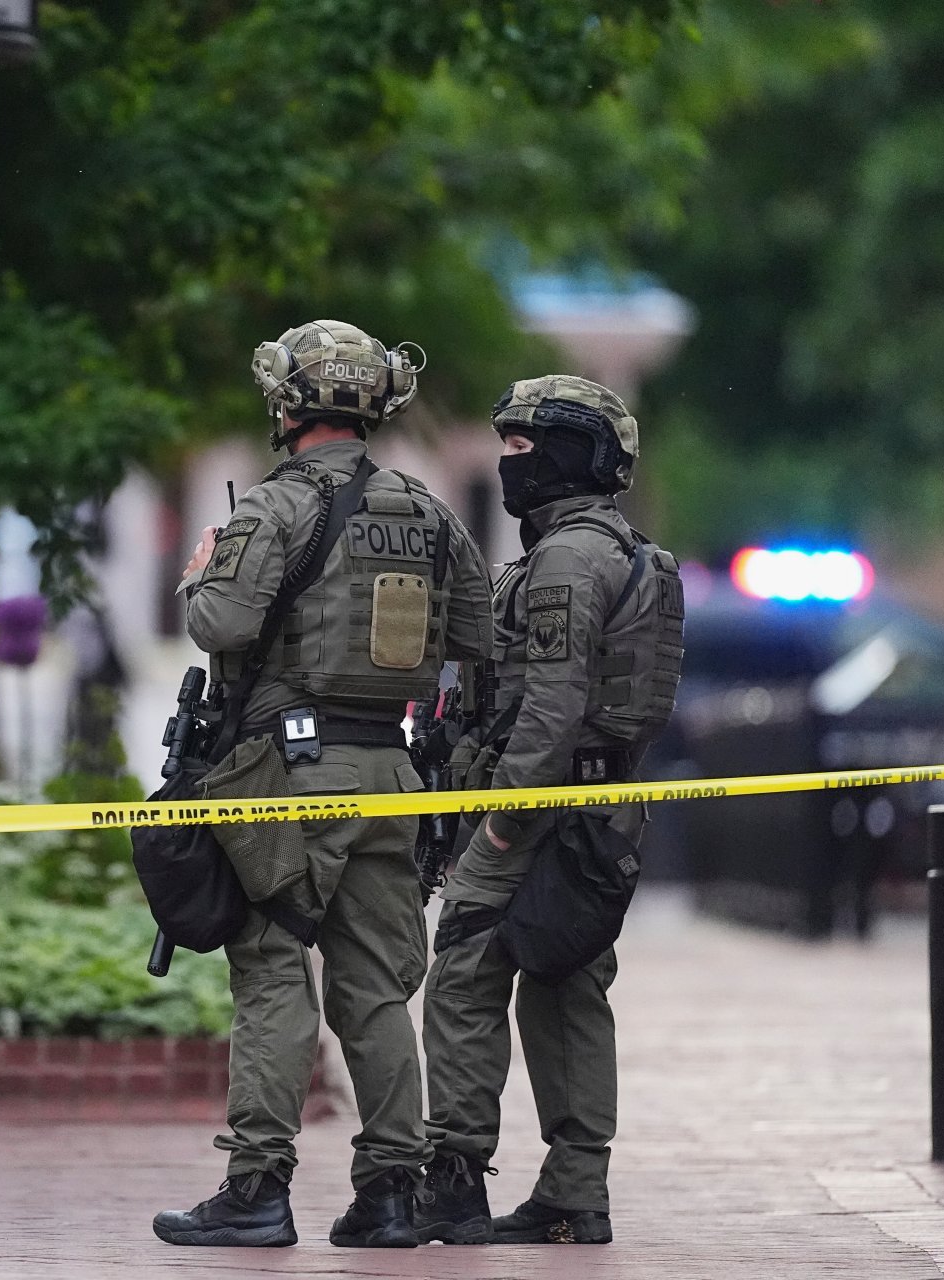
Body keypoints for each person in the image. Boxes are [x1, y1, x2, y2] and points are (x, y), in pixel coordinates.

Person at [152, 320, 494, 1248]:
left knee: (272, 969)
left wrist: (199, 575)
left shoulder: (274, 507)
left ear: (288, 404)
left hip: (291, 779)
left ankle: (257, 1187)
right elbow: (476, 637)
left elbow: (220, 624)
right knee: (376, 989)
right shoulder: (428, 513)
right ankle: (390, 1194)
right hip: (392, 773)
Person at [419, 375, 683, 1245]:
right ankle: (574, 1192)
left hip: (538, 808)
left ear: (573, 454)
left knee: (464, 972)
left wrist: (500, 821)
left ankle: (453, 1180)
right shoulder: (625, 553)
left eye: (524, 446)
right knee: (567, 984)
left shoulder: (568, 560)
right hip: (598, 809)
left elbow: (552, 706)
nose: (508, 462)